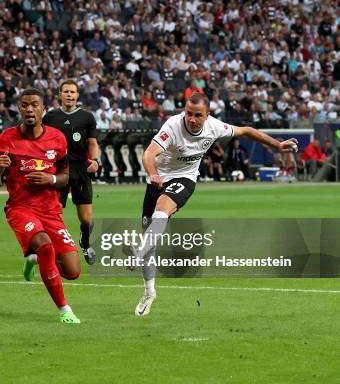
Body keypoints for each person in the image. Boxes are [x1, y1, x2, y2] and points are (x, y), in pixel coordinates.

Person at [132, 92, 298, 316]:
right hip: (157, 178)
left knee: (162, 208)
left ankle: (140, 251)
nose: (191, 119)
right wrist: (153, 174)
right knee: (149, 236)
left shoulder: (215, 127)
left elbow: (246, 131)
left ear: (207, 115)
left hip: (184, 179)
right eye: (188, 114)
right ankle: (149, 292)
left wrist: (277, 145)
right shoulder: (172, 125)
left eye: (197, 115)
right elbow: (149, 154)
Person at [0, 88, 81, 324]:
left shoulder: (57, 138)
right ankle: (64, 310)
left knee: (72, 271)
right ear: (19, 108)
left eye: (34, 105)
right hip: (20, 208)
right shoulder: (5, 139)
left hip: (51, 210)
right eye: (25, 105)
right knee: (45, 245)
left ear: (43, 108)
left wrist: (52, 180)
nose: (29, 109)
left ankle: (33, 259)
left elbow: (67, 174)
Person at [42, 80, 100, 265]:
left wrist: (96, 161)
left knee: (86, 218)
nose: (69, 94)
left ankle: (86, 242)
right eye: (66, 91)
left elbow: (92, 143)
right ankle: (57, 250)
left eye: (72, 92)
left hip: (81, 170)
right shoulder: (49, 117)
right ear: (60, 94)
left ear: (77, 95)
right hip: (57, 171)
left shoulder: (87, 117)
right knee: (53, 215)